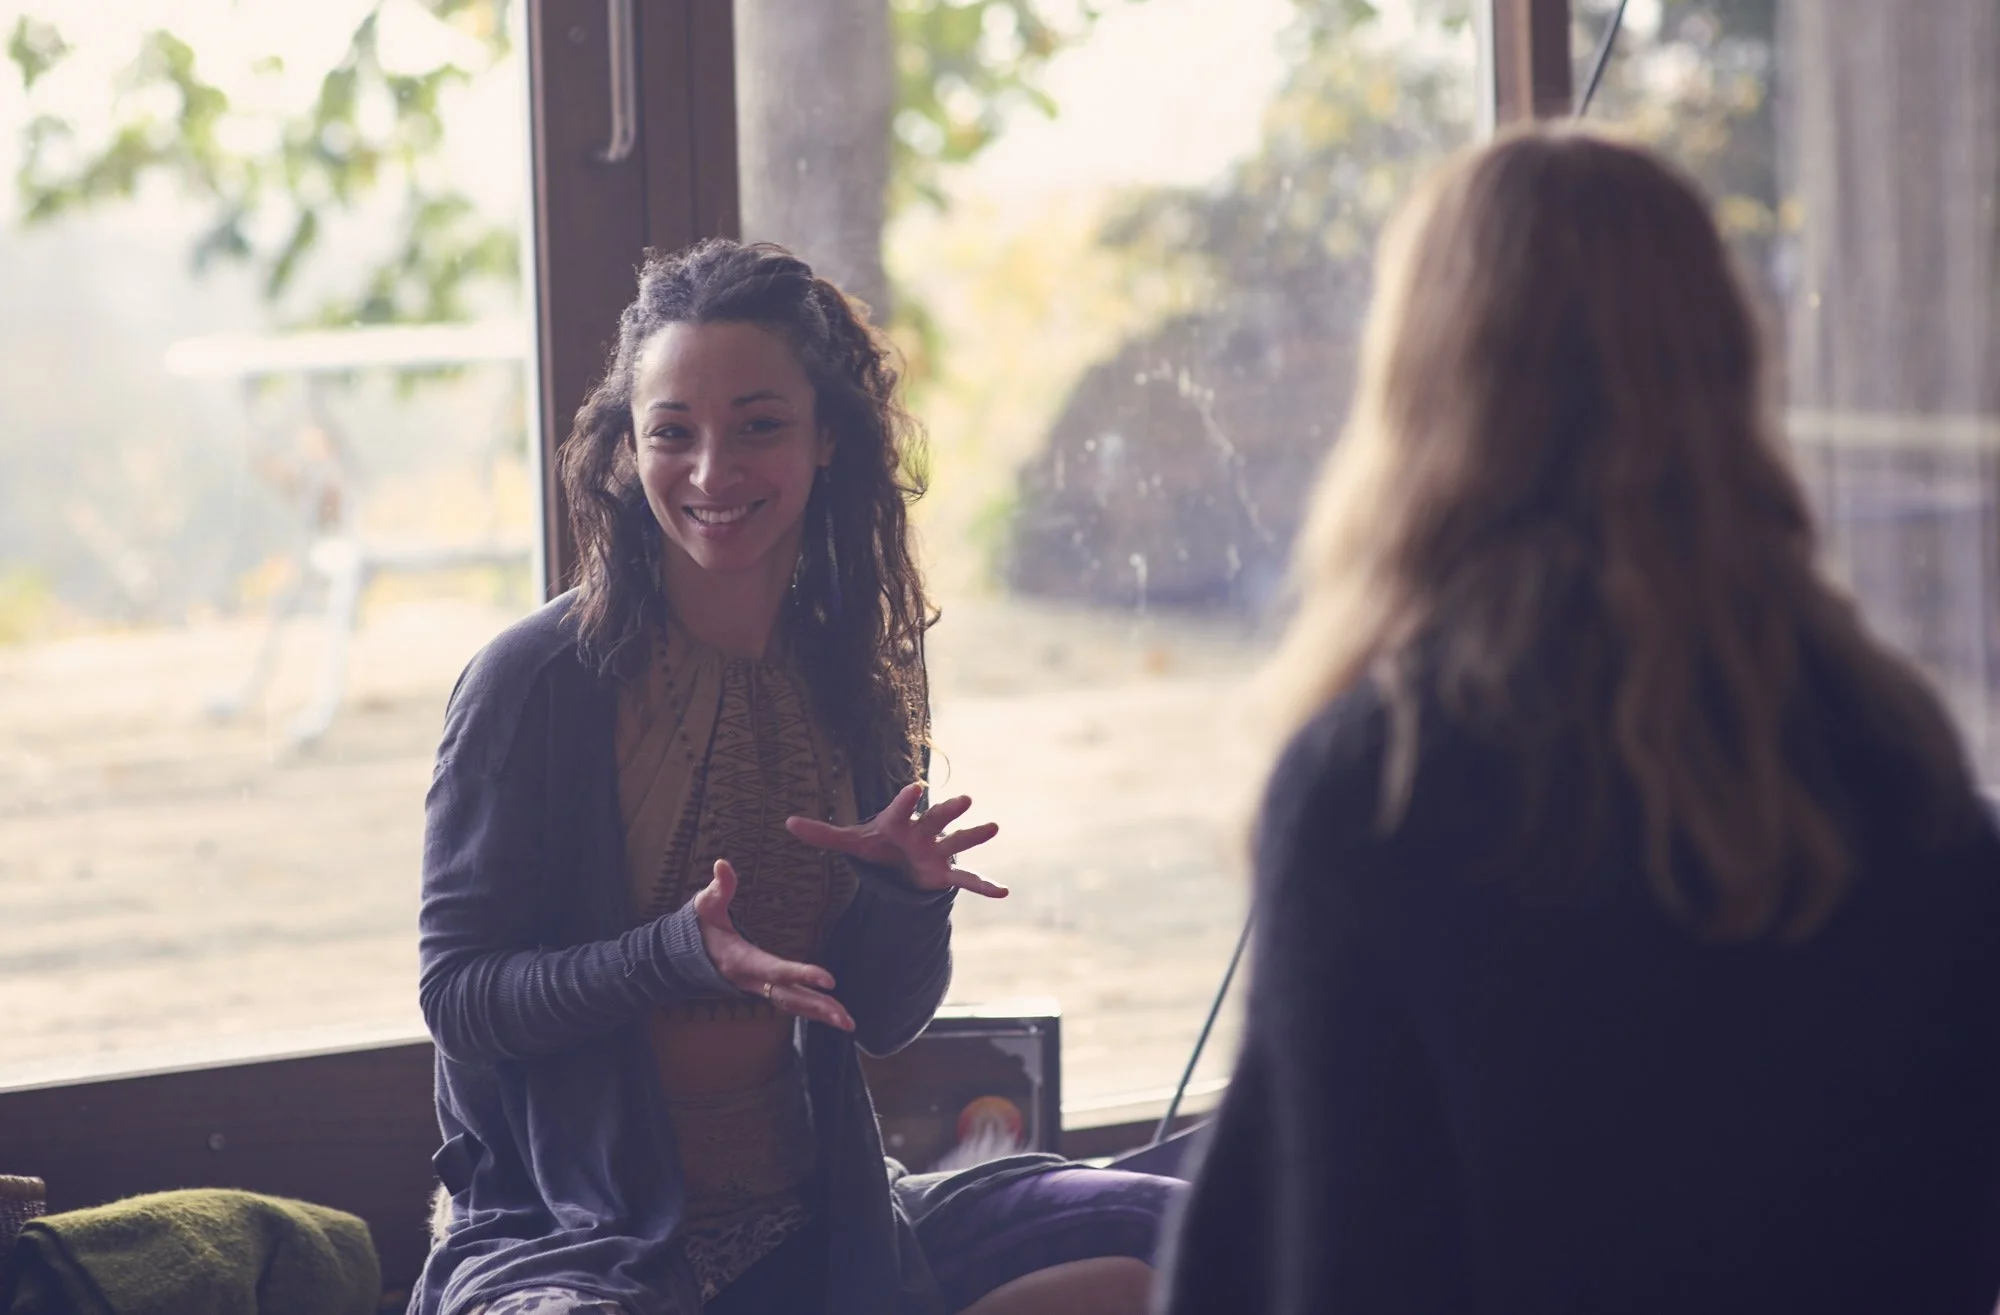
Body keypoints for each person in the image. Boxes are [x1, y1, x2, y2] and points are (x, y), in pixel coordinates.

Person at [1158, 128, 2000, 1315]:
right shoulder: (1902, 758)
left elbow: (1315, 1275)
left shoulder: (1382, 787)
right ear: (1724, 368)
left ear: (1426, 390)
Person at [412, 240, 1182, 1315]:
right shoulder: (533, 682)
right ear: (628, 448)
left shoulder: (852, 672)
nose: (711, 471)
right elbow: (458, 997)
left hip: (824, 1215)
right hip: (571, 1241)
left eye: (758, 426)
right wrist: (671, 955)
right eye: (672, 432)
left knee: (1178, 1232)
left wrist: (904, 897)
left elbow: (879, 1017)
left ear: (827, 438)